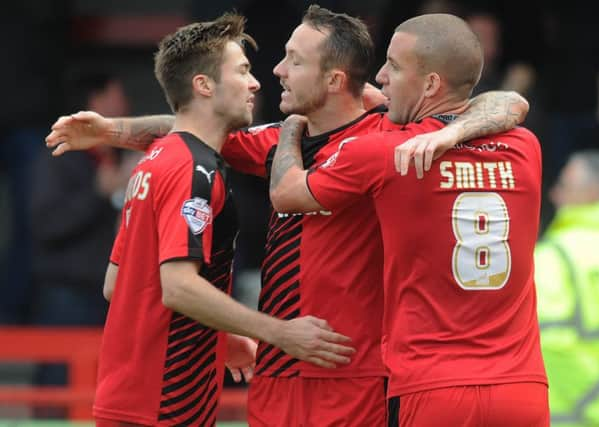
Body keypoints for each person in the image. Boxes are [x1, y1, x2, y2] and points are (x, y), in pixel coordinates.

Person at [45, 6, 530, 426]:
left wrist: (451, 133)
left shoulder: (391, 140)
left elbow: (497, 103)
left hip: (349, 372)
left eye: (295, 60)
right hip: (276, 371)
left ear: (335, 79)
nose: (275, 70)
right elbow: (200, 126)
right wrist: (113, 129)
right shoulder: (283, 141)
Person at [269, 13, 548, 426]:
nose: (380, 76)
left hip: (431, 390)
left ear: (431, 84)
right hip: (521, 389)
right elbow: (510, 103)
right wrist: (450, 131)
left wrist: (291, 127)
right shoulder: (525, 148)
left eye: (394, 67)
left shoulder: (384, 153)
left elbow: (286, 193)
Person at [84, 14, 354, 427]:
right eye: (243, 71)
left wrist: (221, 337)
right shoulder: (195, 170)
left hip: (126, 398)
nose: (256, 83)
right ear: (204, 85)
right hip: (166, 405)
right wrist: (278, 333)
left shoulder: (154, 161)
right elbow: (178, 287)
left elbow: (117, 285)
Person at [29, 71, 133, 418]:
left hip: (105, 294)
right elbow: (46, 225)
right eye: (116, 99)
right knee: (58, 391)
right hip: (66, 294)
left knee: (101, 393)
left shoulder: (116, 159)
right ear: (95, 104)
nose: (125, 107)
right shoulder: (57, 156)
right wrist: (97, 195)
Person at [534, 150, 599, 426]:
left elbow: (549, 344)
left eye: (563, 186)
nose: (553, 195)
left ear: (594, 191)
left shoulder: (553, 258)